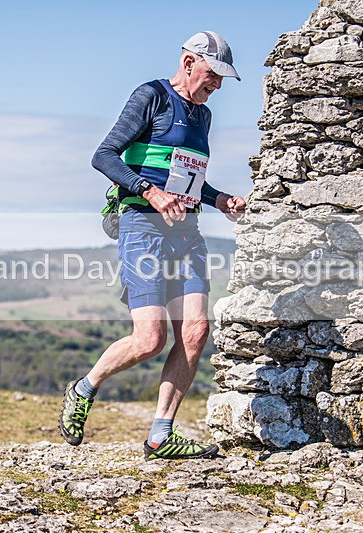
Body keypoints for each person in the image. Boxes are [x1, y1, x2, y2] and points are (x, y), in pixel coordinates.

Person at [58, 31, 246, 460]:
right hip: (142, 225)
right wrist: (150, 192)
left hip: (187, 231)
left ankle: (161, 435)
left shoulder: (203, 116)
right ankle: (84, 387)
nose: (216, 85)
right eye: (212, 74)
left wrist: (220, 199)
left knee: (196, 331)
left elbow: (187, 179)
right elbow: (104, 156)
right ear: (188, 62)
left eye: (222, 79)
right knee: (149, 339)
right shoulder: (152, 96)